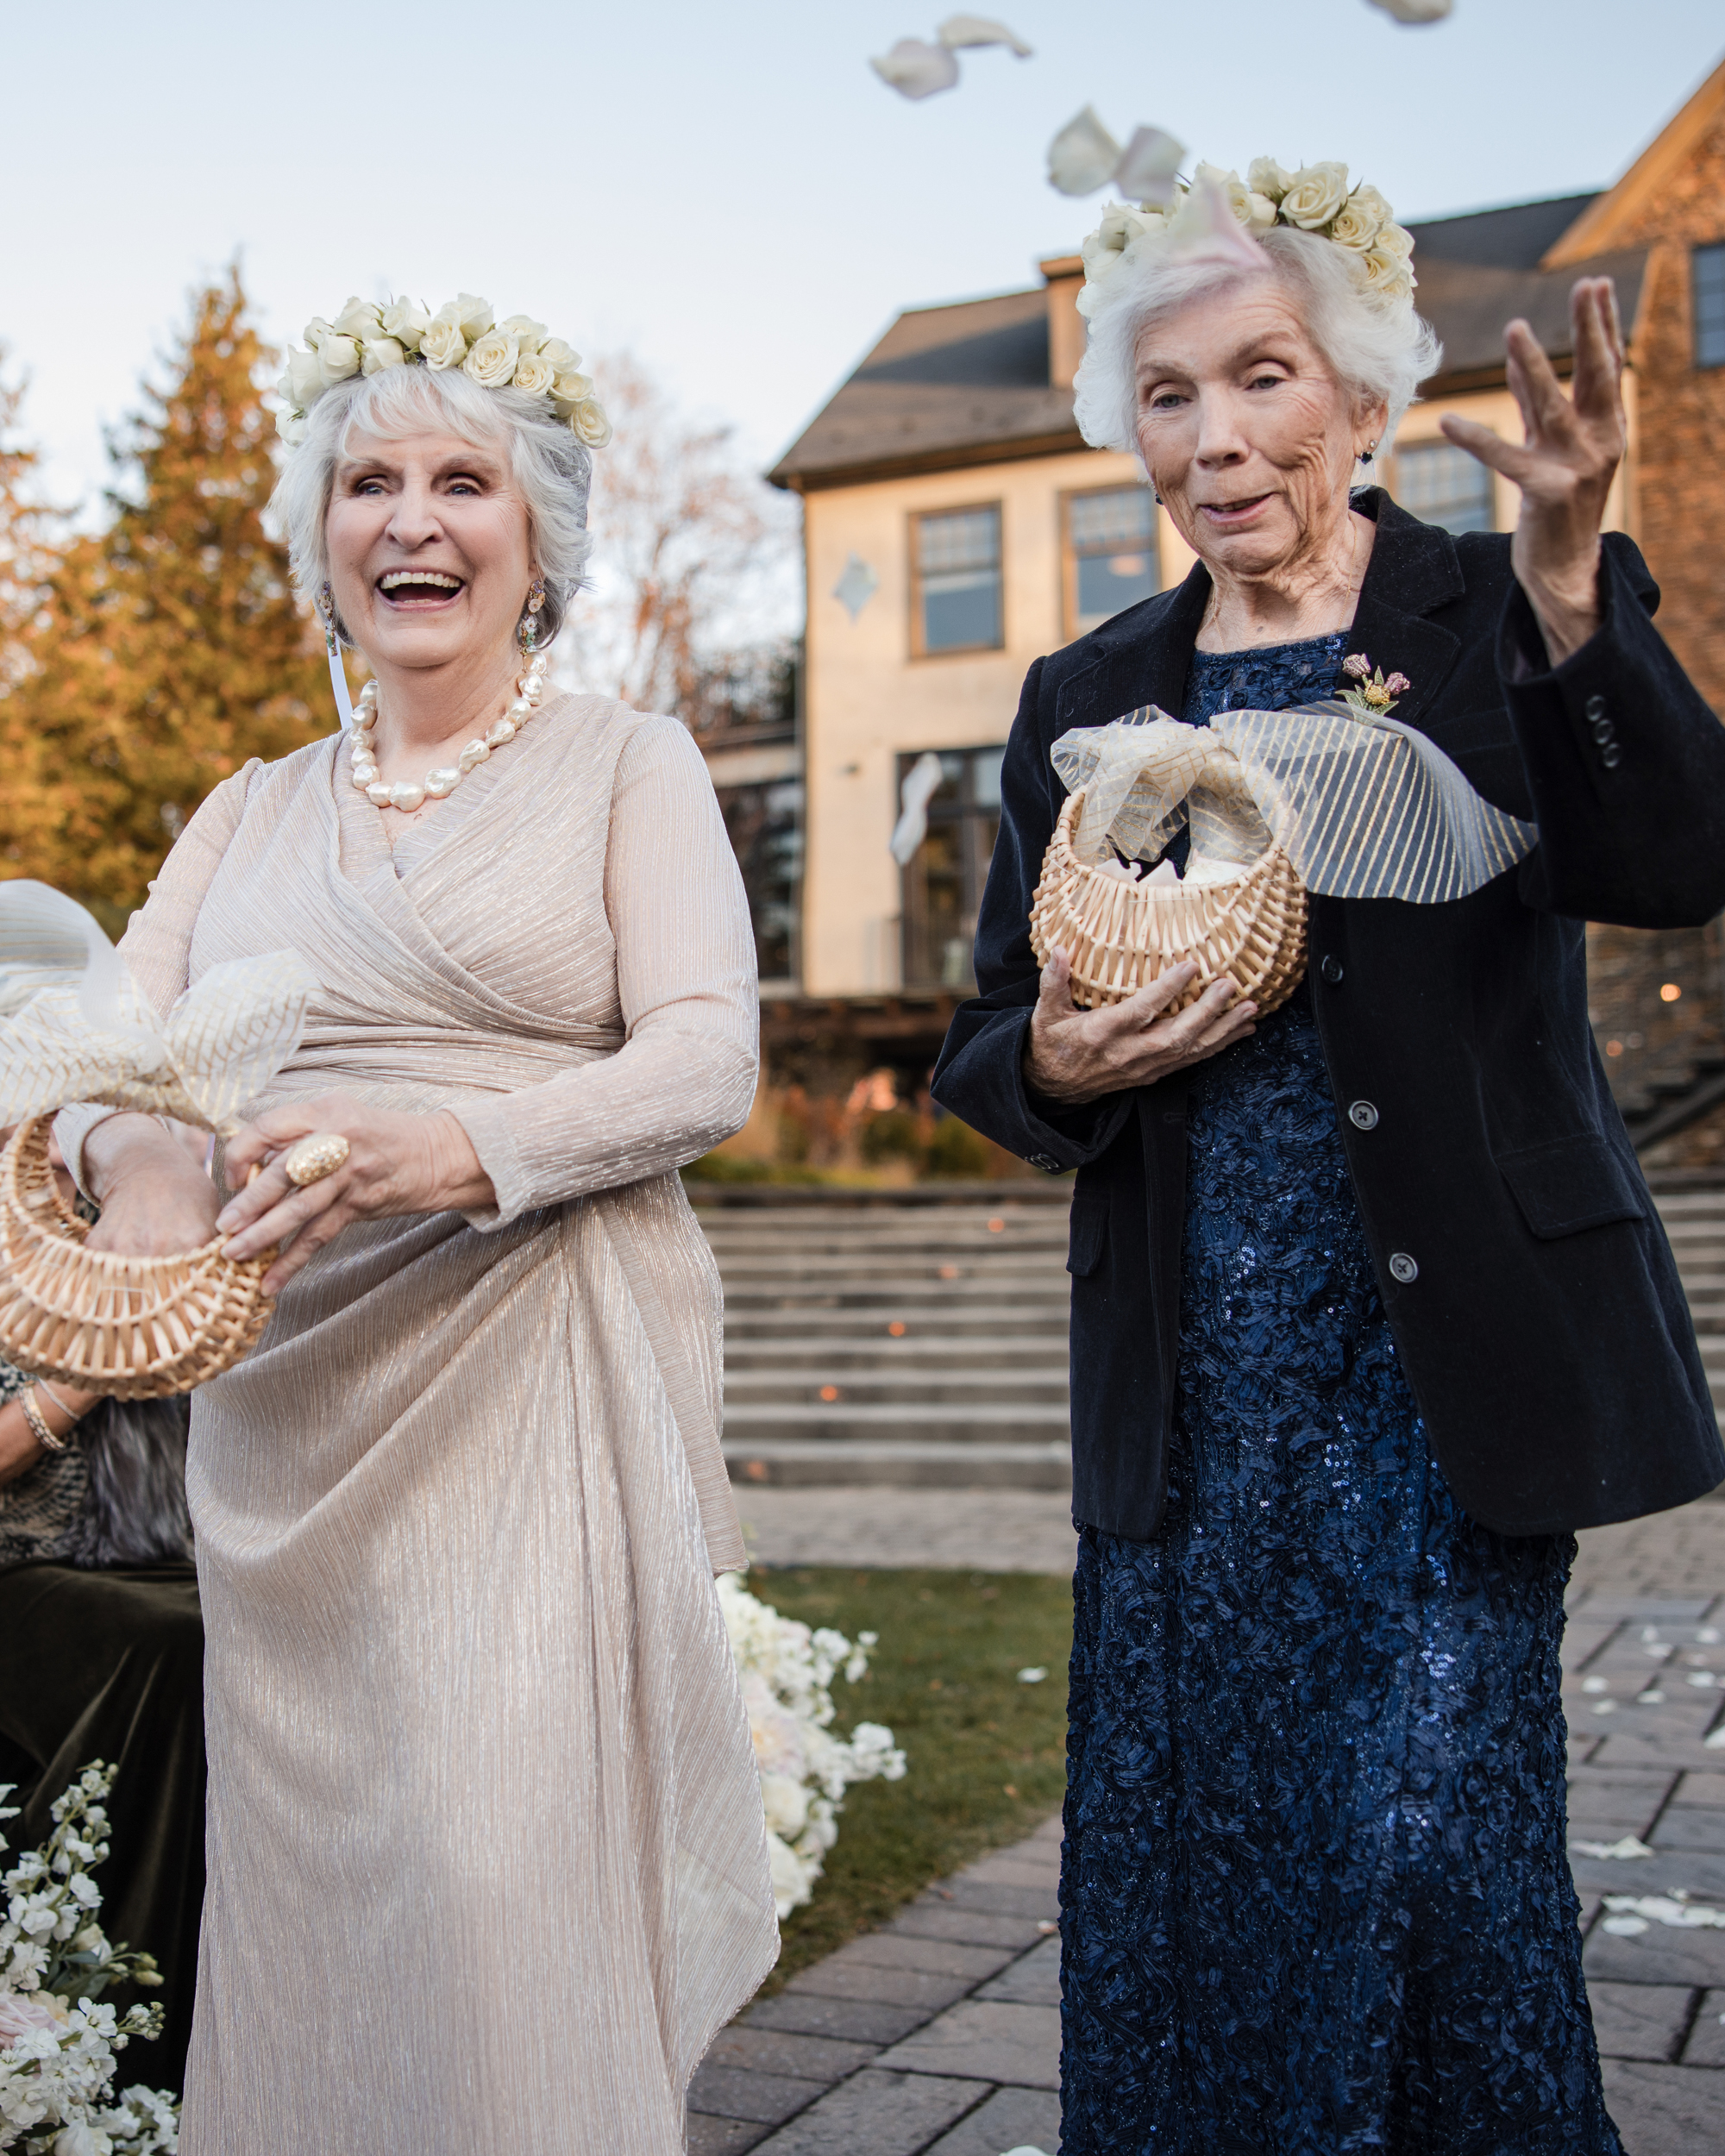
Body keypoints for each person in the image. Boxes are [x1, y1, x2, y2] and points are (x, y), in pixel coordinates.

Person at [931, 163, 1725, 2153]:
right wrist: (1049, 1048)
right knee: (1200, 1867)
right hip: (1191, 1393)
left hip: (1437, 1379)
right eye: (1168, 392)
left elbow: (1670, 863)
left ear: (1357, 399)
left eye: (1258, 377)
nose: (1211, 438)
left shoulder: (1484, 612)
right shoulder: (1083, 695)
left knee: (1438, 1859)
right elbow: (974, 1035)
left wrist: (1567, 575)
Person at [53, 293, 776, 2152]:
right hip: (282, 1412)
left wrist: (452, 1143)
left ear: (539, 539)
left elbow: (706, 1057)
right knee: (307, 1892)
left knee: (495, 1877)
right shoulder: (247, 803)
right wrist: (137, 1160)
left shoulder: (632, 763)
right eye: (367, 480)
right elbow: (90, 1047)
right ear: (321, 538)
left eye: (465, 480)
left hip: (527, 1368)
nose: (411, 520)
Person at [0, 1357, 202, 2096]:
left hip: (176, 1552)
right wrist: (101, 1365)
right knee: (179, 1642)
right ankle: (125, 2051)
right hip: (21, 1563)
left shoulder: (145, 1253)